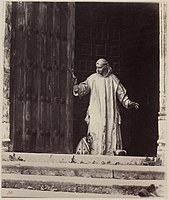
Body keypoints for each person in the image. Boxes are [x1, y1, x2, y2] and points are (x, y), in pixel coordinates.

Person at [73, 58, 139, 155]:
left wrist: (128, 103)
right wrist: (77, 88)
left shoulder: (113, 79)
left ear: (105, 66)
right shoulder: (93, 78)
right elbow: (84, 88)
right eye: (96, 67)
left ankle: (112, 153)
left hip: (110, 112)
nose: (97, 70)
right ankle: (95, 153)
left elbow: (121, 94)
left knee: (111, 132)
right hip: (96, 111)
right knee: (95, 132)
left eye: (99, 68)